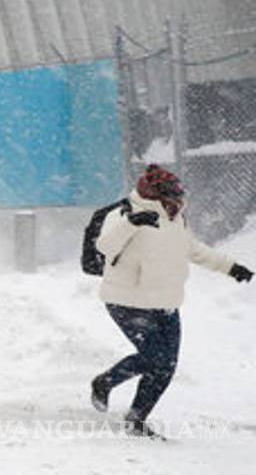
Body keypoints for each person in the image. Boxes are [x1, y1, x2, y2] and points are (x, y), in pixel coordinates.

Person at [90, 164, 252, 439]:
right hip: (127, 301)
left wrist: (230, 267)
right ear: (154, 195)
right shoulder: (124, 214)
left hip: (165, 303)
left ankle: (137, 419)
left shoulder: (176, 220)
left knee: (166, 365)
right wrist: (131, 223)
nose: (177, 200)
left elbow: (194, 249)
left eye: (178, 195)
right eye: (171, 196)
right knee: (154, 356)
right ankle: (104, 382)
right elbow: (104, 246)